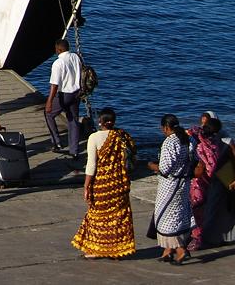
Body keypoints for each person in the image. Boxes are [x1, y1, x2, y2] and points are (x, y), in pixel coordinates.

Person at [71, 107, 136, 260]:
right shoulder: (123, 136)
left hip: (102, 184)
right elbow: (133, 156)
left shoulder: (94, 137)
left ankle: (97, 249)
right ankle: (117, 249)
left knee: (98, 217)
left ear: (100, 122)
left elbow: (91, 165)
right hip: (120, 184)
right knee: (118, 217)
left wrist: (86, 186)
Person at [148, 114, 194, 265]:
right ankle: (167, 250)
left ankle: (181, 250)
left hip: (170, 185)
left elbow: (165, 169)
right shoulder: (188, 139)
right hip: (184, 183)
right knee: (178, 216)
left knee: (166, 219)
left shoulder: (170, 142)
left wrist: (152, 166)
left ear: (166, 128)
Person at [198, 112, 235, 243]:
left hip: (224, 178)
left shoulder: (224, 139)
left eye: (206, 123)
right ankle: (217, 237)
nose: (203, 125)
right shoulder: (207, 138)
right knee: (218, 208)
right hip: (217, 179)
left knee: (221, 208)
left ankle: (217, 237)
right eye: (202, 123)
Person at [187, 116, 229, 251]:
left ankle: (197, 238)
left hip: (198, 181)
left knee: (195, 209)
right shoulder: (215, 143)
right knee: (204, 210)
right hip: (209, 182)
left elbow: (192, 131)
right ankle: (202, 236)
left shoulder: (200, 142)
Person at [45, 39, 83, 158]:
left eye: (56, 49)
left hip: (64, 94)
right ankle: (74, 150)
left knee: (49, 114)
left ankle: (57, 142)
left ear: (59, 49)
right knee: (73, 120)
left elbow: (54, 85)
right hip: (76, 93)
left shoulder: (58, 63)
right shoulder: (76, 57)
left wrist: (49, 101)